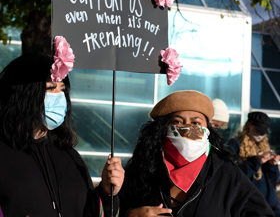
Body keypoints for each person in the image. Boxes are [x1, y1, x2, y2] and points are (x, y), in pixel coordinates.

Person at [0, 53, 124, 217]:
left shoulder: (70, 156)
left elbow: (90, 212)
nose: (59, 97)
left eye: (62, 90)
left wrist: (107, 193)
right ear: (24, 93)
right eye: (51, 88)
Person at [116, 91, 274, 217]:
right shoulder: (144, 167)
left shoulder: (226, 173)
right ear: (162, 129)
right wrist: (130, 215)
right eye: (177, 122)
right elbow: (108, 209)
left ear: (208, 130)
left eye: (196, 123)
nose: (186, 129)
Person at [229, 112, 280, 217]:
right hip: (251, 207)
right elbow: (235, 177)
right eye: (258, 130)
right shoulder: (235, 144)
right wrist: (256, 161)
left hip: (270, 206)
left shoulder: (265, 145)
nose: (260, 135)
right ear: (249, 125)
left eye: (263, 132)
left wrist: (272, 165)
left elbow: (274, 180)